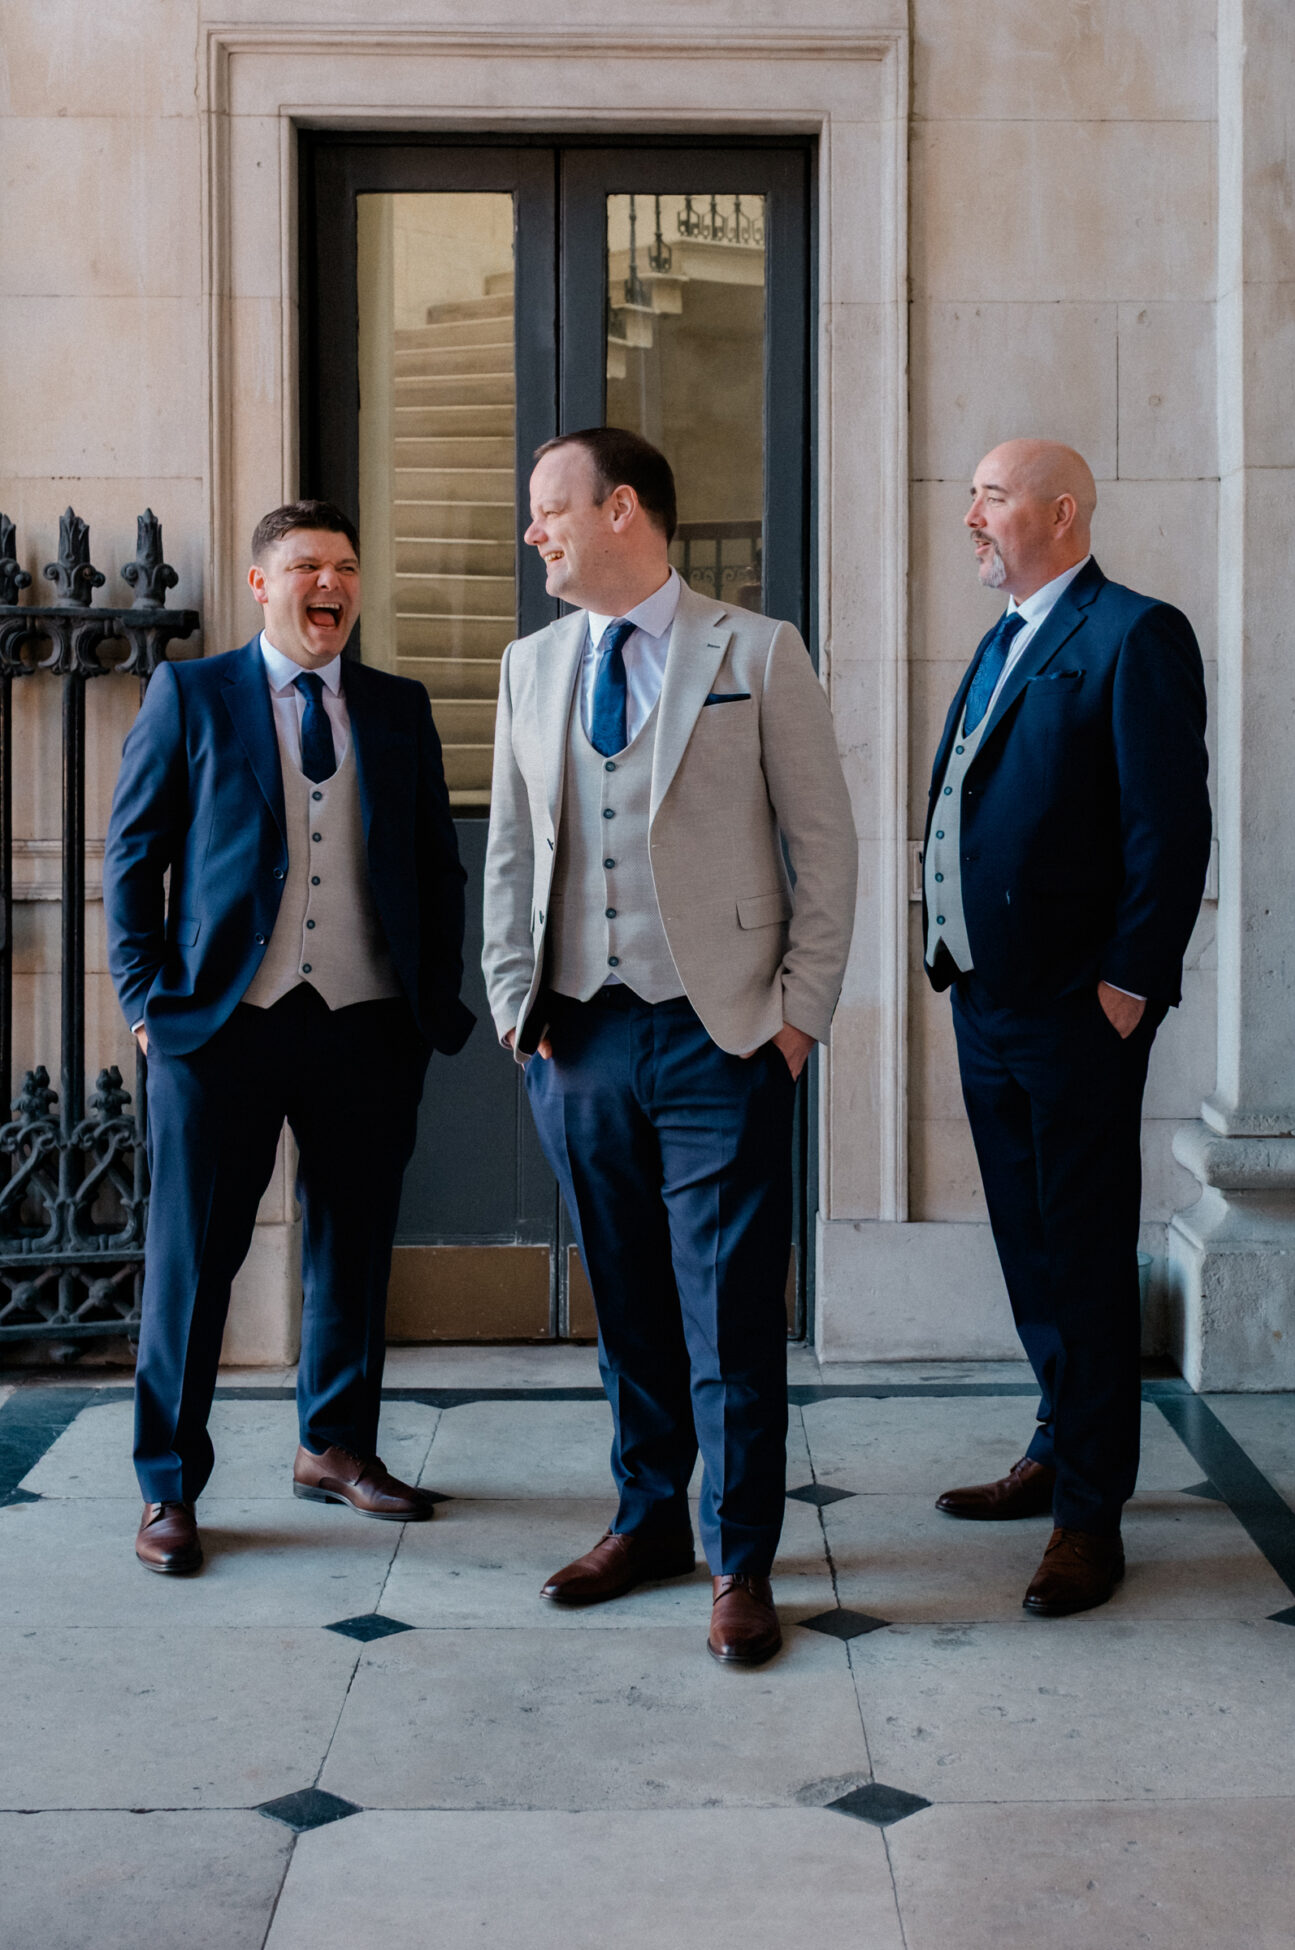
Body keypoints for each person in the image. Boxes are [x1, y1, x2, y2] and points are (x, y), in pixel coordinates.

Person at [482, 428, 857, 1666]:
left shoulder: (756, 650)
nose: (534, 529)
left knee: (730, 1306)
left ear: (622, 509)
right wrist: (511, 1006)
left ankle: (738, 1556)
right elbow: (510, 855)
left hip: (722, 1033)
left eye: (551, 507)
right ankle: (646, 1520)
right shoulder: (530, 665)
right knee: (631, 1301)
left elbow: (828, 846)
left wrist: (797, 1017)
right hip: (578, 1035)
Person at [104, 499, 474, 1575]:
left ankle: (335, 1444)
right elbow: (132, 861)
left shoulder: (397, 707)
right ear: (263, 584)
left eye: (348, 566)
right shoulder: (193, 694)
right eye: (310, 565)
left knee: (350, 1249)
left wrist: (427, 999)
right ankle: (168, 1486)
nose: (334, 584)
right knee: (193, 1262)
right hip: (220, 1027)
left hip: (366, 1026)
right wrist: (143, 1000)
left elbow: (434, 869)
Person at [923, 439, 1211, 1615]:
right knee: (1029, 1246)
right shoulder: (1007, 639)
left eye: (988, 498)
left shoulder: (1135, 634)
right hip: (983, 998)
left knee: (1083, 1257)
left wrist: (1126, 989)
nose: (970, 519)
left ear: (1060, 510)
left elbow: (1169, 826)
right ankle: (1059, 1443)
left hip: (1075, 1012)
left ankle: (1090, 1515)